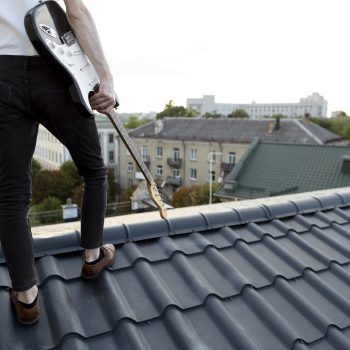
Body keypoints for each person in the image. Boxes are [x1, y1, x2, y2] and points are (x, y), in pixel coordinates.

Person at [0, 0, 116, 325]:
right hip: (52, 65)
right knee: (93, 170)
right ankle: (93, 255)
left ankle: (26, 296)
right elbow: (75, 12)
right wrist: (104, 76)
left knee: (11, 193)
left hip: (2, 73)